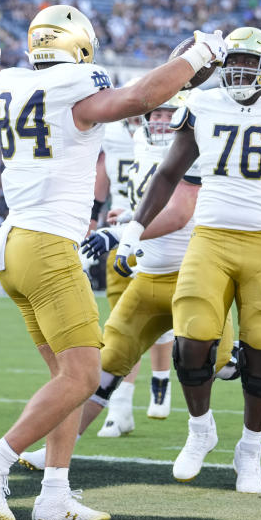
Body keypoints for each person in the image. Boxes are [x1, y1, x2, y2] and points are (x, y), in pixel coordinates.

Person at [0, 4, 226, 520]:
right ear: (78, 45)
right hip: (50, 247)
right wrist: (200, 52)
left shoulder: (9, 82)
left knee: (66, 378)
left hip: (14, 245)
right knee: (83, 375)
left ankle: (54, 493)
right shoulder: (75, 86)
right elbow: (141, 98)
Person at [114, 27, 261, 493]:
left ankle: (250, 450)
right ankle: (200, 429)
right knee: (191, 338)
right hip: (211, 238)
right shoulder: (204, 106)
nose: (239, 71)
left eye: (248, 63)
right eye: (233, 62)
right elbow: (167, 174)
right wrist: (133, 231)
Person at [17, 91, 237, 473]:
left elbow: (179, 214)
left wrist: (122, 234)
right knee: (103, 369)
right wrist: (124, 217)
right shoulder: (140, 143)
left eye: (170, 114)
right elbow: (148, 202)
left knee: (220, 365)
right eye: (156, 114)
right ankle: (59, 452)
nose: (160, 122)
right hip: (149, 276)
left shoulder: (197, 148)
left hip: (194, 275)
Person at [93, 99, 174, 436]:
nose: (160, 121)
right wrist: (92, 215)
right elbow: (101, 175)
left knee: (165, 316)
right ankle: (121, 407)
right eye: (155, 114)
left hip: (159, 233)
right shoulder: (112, 132)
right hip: (119, 233)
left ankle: (161, 381)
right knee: (121, 324)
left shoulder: (175, 137)